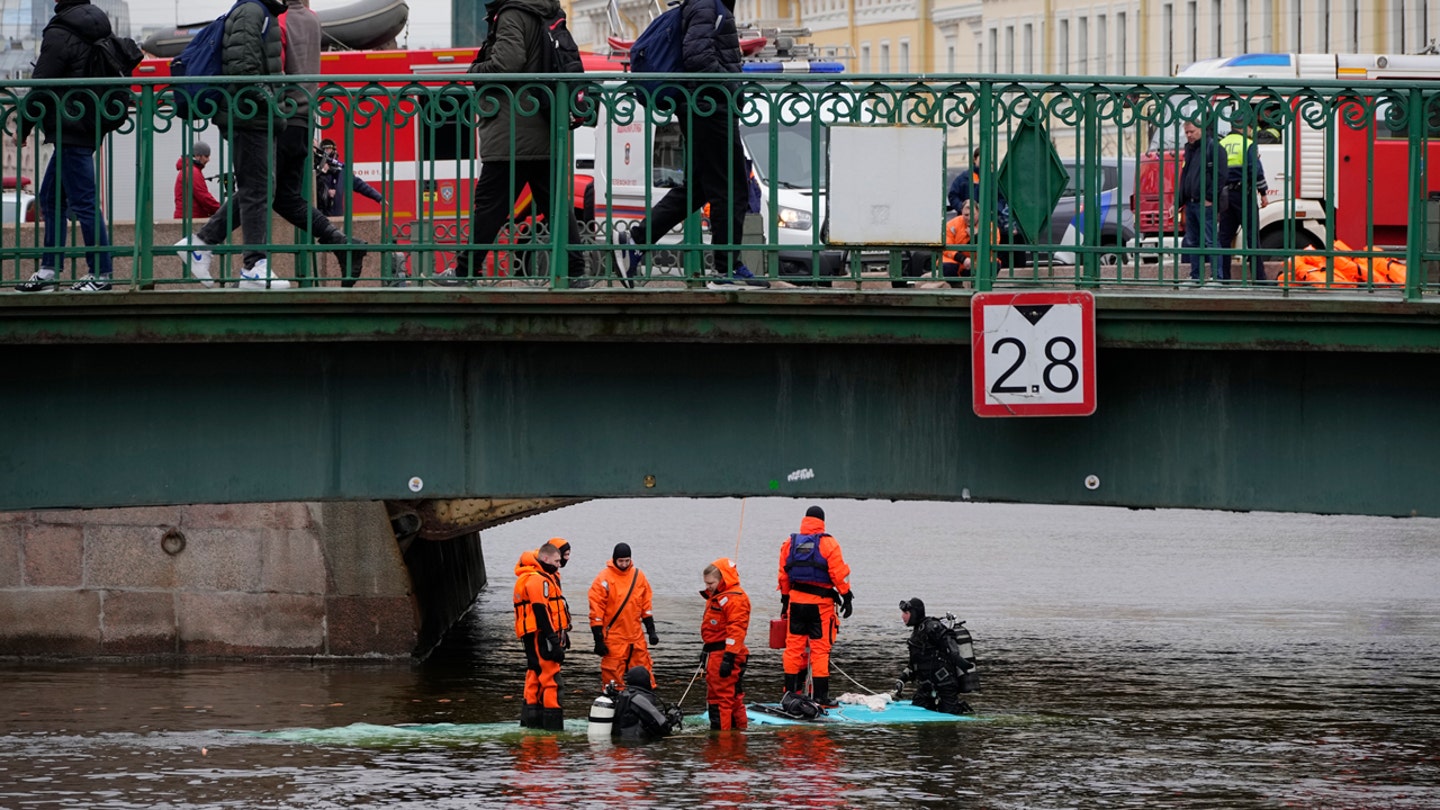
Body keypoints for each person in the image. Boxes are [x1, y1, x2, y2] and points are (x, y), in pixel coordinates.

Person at [177, 0, 369, 289]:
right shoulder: (313, 20)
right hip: (305, 119)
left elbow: (269, 66)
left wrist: (273, 104)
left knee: (259, 188)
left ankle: (209, 244)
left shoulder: (277, 19)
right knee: (279, 194)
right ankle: (340, 243)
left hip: (282, 116)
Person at [613, 0, 768, 289]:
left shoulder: (708, 5)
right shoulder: (707, 5)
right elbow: (698, 58)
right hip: (709, 106)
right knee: (731, 187)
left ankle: (636, 241)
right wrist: (733, 88)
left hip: (704, 105)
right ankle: (726, 270)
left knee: (699, 188)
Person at [448, 0, 589, 288]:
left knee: (489, 204)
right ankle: (576, 272)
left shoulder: (512, 13)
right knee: (555, 205)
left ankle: (464, 272)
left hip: (513, 129)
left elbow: (508, 62)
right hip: (543, 124)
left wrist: (474, 72)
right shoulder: (545, 11)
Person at [170, 0, 289, 290]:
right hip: (249, 115)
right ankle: (252, 267)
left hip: (253, 115)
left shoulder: (259, 11)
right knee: (257, 190)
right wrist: (272, 102)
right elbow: (244, 68)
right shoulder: (252, 11)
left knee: (259, 188)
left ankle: (200, 244)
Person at [15, 0, 116, 292]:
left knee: (84, 203)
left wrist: (23, 126)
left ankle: (101, 273)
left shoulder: (60, 31)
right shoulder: (98, 23)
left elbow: (42, 83)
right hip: (88, 119)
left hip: (68, 123)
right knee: (51, 199)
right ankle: (49, 271)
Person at [777, 505, 853, 708]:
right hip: (820, 606)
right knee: (820, 650)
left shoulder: (789, 543)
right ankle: (821, 697)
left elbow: (783, 575)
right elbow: (838, 573)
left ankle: (790, 694)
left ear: (805, 520)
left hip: (796, 603)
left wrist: (785, 600)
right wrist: (846, 595)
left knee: (793, 649)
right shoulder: (829, 544)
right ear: (822, 522)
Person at [513, 541, 572, 730]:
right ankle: (553, 727)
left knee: (534, 676)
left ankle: (531, 723)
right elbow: (541, 611)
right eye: (556, 561)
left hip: (531, 636)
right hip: (541, 636)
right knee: (552, 680)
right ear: (545, 559)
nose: (559, 564)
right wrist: (554, 641)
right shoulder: (539, 579)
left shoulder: (528, 576)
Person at [589, 542, 661, 690]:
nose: (624, 564)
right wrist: (598, 640)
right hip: (614, 637)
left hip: (635, 635)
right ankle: (614, 707)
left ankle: (646, 703)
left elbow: (646, 606)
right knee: (612, 678)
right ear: (614, 559)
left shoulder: (638, 576)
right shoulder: (604, 578)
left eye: (627, 561)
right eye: (621, 561)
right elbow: (596, 610)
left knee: (644, 674)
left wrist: (651, 632)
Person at [895, 597, 975, 716]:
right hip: (926, 686)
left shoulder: (932, 627)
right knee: (918, 714)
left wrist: (960, 661)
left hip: (945, 684)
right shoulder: (917, 632)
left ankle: (960, 709)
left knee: (950, 715)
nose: (903, 616)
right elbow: (914, 664)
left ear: (915, 613)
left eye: (906, 613)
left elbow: (949, 642)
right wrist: (902, 680)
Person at [700, 557, 750, 731]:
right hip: (716, 653)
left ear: (722, 579)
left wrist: (729, 658)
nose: (708, 587)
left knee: (724, 699)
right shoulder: (720, 596)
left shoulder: (735, 599)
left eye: (711, 583)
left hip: (725, 654)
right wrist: (706, 650)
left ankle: (724, 738)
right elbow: (715, 631)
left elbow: (736, 629)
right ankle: (732, 735)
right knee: (720, 697)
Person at [1218, 122, 1271, 282]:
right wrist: (1263, 193)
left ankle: (1223, 278)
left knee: (1224, 238)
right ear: (1244, 128)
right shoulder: (1248, 144)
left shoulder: (1221, 144)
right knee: (1252, 237)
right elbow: (1255, 170)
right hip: (1243, 194)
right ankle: (1259, 278)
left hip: (1225, 195)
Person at [1178, 120, 1227, 285]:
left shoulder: (1213, 147)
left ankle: (1217, 277)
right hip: (1191, 203)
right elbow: (1185, 177)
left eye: (1192, 131)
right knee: (1193, 241)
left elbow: (1220, 176)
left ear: (1201, 130)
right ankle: (1195, 276)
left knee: (1210, 240)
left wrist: (1210, 198)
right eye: (1187, 133)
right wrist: (1178, 202)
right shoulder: (1190, 149)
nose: (1189, 135)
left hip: (1204, 203)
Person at [608, 665, 683, 742]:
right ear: (645, 680)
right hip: (635, 746)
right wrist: (673, 717)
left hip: (620, 742)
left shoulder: (622, 696)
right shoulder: (638, 699)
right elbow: (662, 725)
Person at [314, 138, 386, 217]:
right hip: (319, 216)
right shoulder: (316, 170)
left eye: (329, 149)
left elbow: (360, 185)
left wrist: (379, 197)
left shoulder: (342, 171)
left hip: (337, 216)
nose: (327, 152)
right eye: (324, 149)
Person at [174, 142, 221, 220]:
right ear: (198, 156)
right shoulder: (192, 172)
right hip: (192, 218)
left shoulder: (188, 170)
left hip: (188, 217)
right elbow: (204, 197)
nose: (208, 159)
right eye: (206, 156)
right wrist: (222, 209)